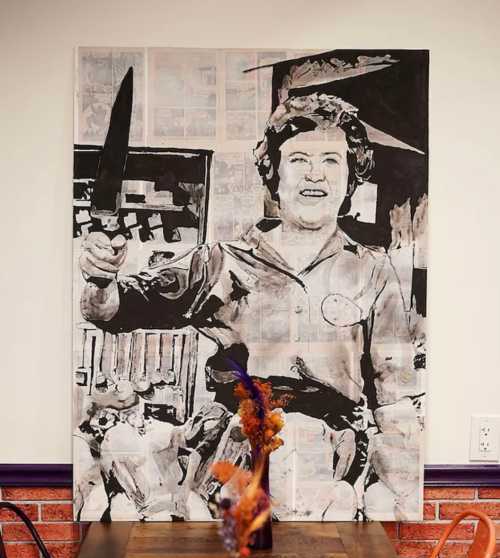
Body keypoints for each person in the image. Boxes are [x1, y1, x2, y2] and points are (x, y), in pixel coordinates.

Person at [79, 91, 422, 521]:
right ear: (274, 172)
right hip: (229, 461)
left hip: (327, 471)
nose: (314, 174)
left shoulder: (374, 271)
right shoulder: (221, 261)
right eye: (298, 159)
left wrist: (403, 491)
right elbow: (112, 310)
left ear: (352, 176)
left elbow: (395, 402)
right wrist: (100, 278)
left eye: (331, 160)